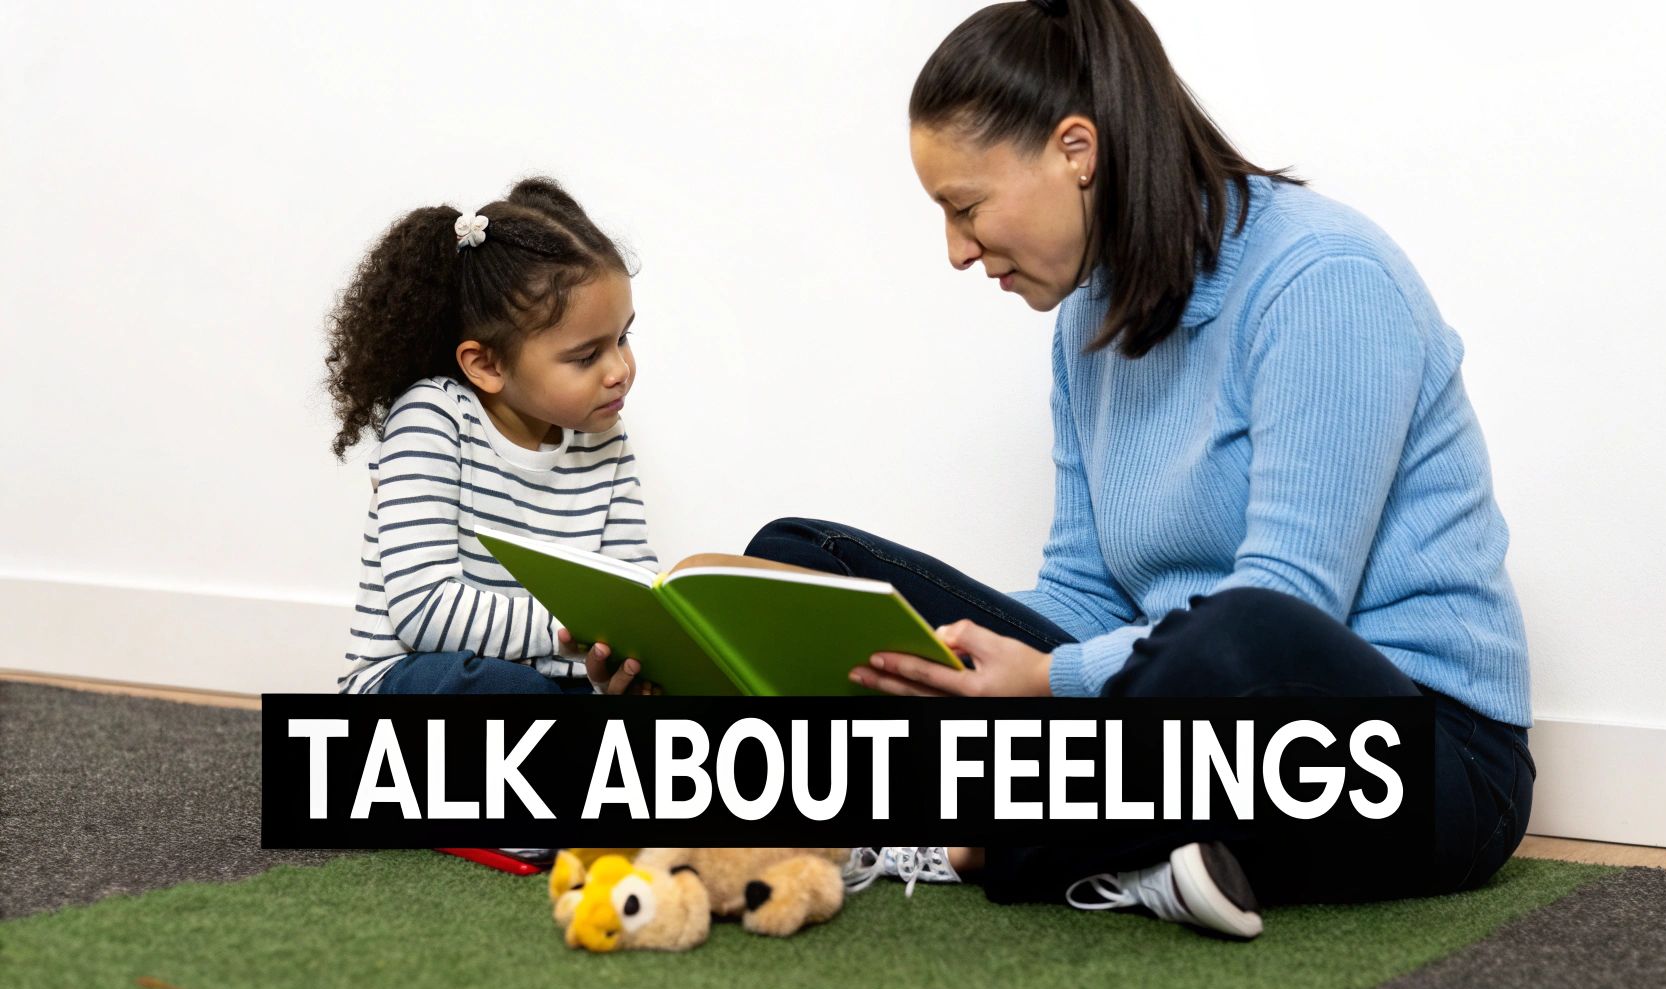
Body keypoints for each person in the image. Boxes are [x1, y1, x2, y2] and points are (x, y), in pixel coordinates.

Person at [751, 0, 1535, 940]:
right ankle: (1125, 843)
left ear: (1076, 149)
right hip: (1172, 723)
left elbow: (1293, 602)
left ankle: (962, 833)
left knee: (1242, 633)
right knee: (793, 558)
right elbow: (1083, 589)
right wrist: (955, 662)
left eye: (966, 207)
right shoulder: (1085, 323)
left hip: (1418, 753)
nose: (957, 251)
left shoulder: (1324, 278)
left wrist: (1052, 680)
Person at [325, 177, 652, 696]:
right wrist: (578, 631)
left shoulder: (605, 439)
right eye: (587, 356)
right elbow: (425, 609)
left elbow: (630, 596)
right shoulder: (434, 418)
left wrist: (631, 663)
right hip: (418, 679)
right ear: (486, 364)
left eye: (623, 338)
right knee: (499, 688)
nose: (619, 370)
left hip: (553, 684)